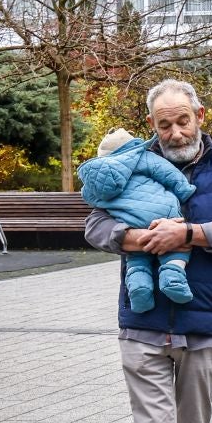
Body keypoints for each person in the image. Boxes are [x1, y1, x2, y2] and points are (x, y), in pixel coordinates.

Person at [83, 79, 212, 423]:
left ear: (200, 116)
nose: (175, 134)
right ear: (151, 124)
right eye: (164, 125)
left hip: (204, 324)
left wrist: (187, 235)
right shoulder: (127, 162)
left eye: (183, 121)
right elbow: (95, 225)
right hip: (143, 324)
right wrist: (135, 238)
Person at [77, 125, 195, 313]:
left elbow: (92, 200)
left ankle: (139, 289)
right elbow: (166, 172)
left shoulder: (98, 179)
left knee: (137, 258)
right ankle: (173, 276)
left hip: (129, 220)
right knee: (177, 250)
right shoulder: (144, 157)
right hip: (163, 214)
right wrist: (184, 189)